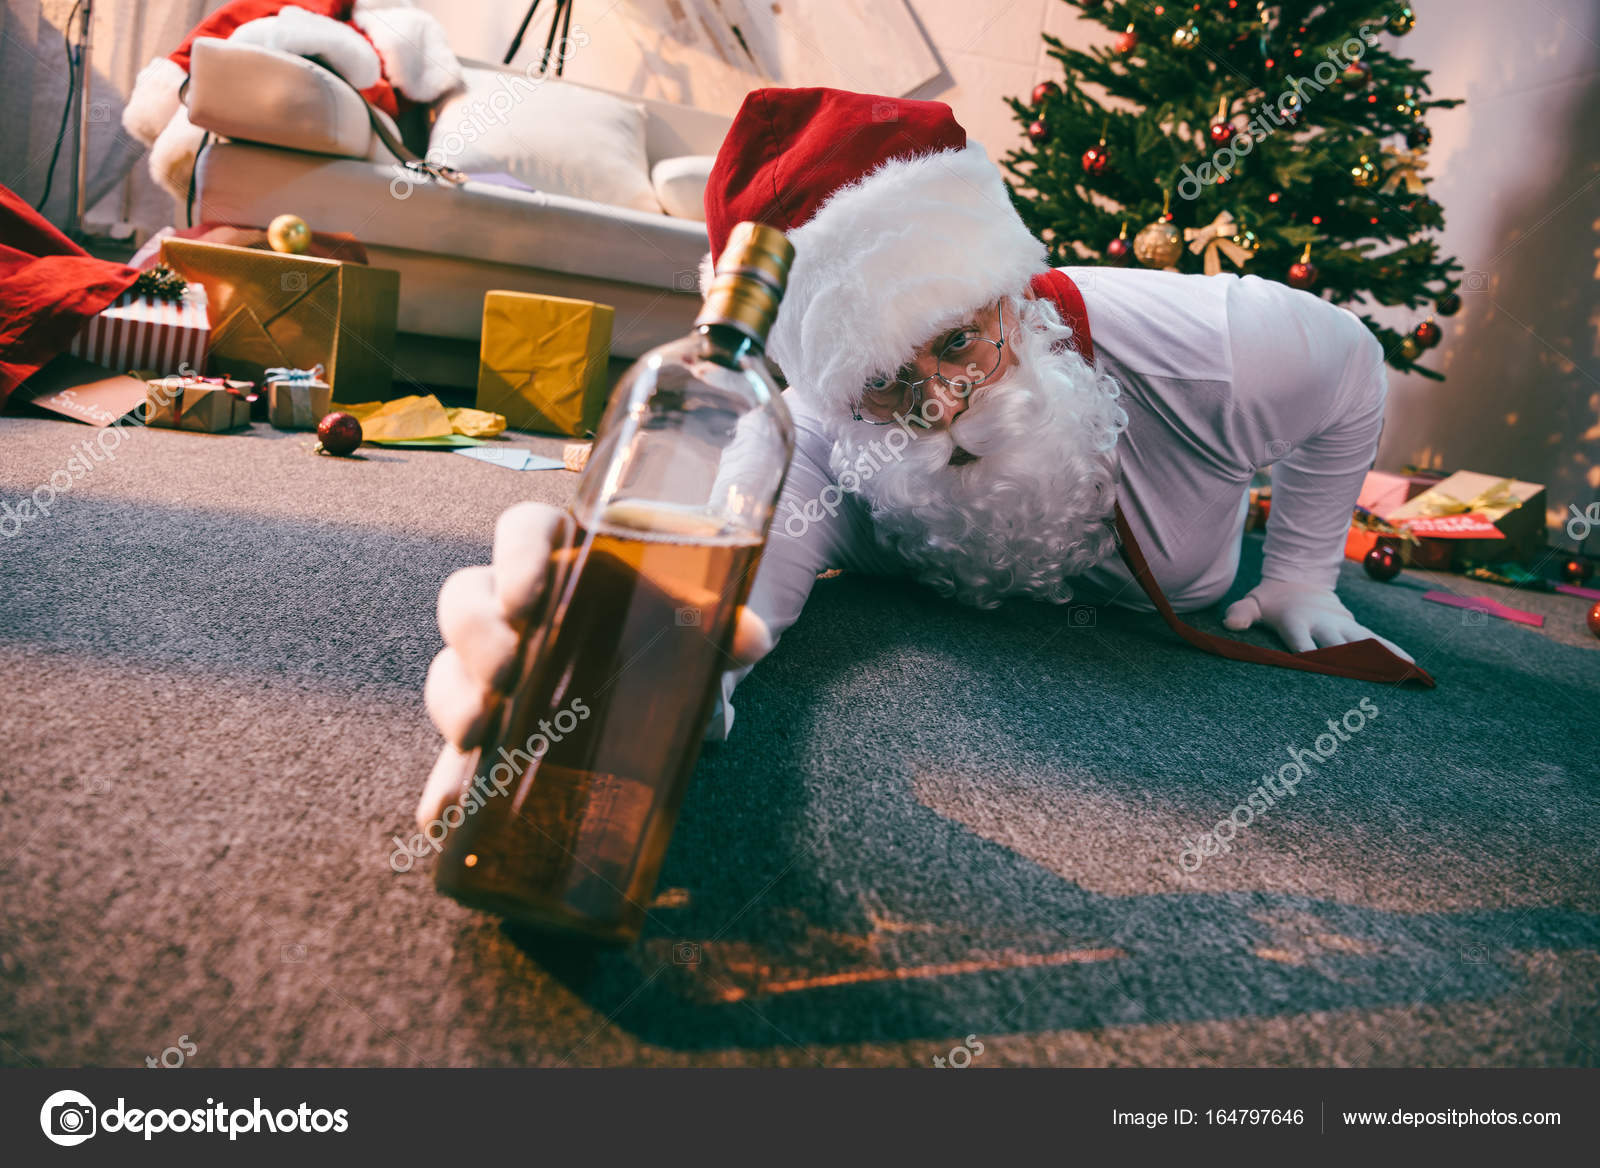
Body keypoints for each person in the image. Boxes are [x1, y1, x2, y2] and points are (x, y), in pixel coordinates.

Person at [417, 87, 1419, 828]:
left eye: (954, 343)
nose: (937, 403)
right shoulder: (811, 438)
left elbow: (1355, 368)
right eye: (885, 381)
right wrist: (642, 679)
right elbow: (726, 604)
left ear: (1002, 296)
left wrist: (1298, 571)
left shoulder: (1215, 349)